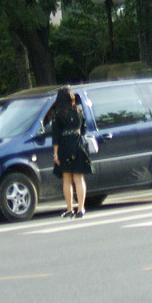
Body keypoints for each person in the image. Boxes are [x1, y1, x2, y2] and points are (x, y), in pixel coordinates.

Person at [52, 87, 94, 219]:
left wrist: (55, 154)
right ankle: (81, 208)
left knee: (67, 179)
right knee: (79, 178)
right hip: (78, 146)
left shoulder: (58, 115)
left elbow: (56, 137)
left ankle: (69, 208)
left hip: (64, 147)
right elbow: (84, 130)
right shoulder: (79, 112)